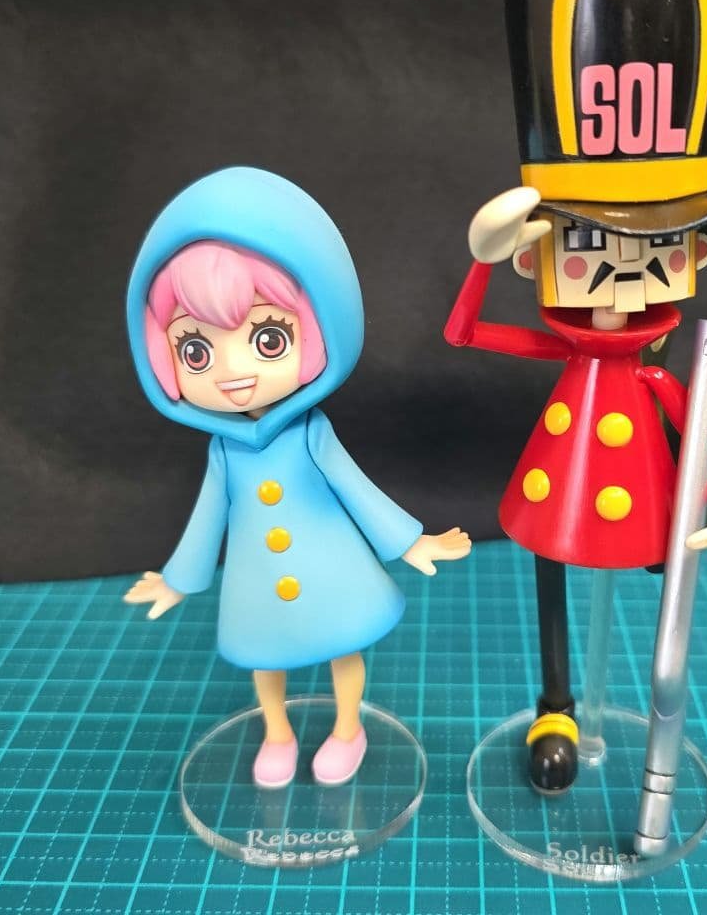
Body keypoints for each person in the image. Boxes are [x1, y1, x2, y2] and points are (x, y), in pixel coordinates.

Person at [125, 166, 470, 789]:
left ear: (316, 331)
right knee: (267, 661)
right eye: (196, 350)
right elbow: (208, 515)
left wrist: (408, 541)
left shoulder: (311, 431)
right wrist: (179, 579)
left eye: (266, 337)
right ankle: (277, 734)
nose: (232, 372)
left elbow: (354, 487)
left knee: (344, 649)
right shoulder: (224, 450)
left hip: (330, 565)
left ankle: (348, 729)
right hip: (257, 577)